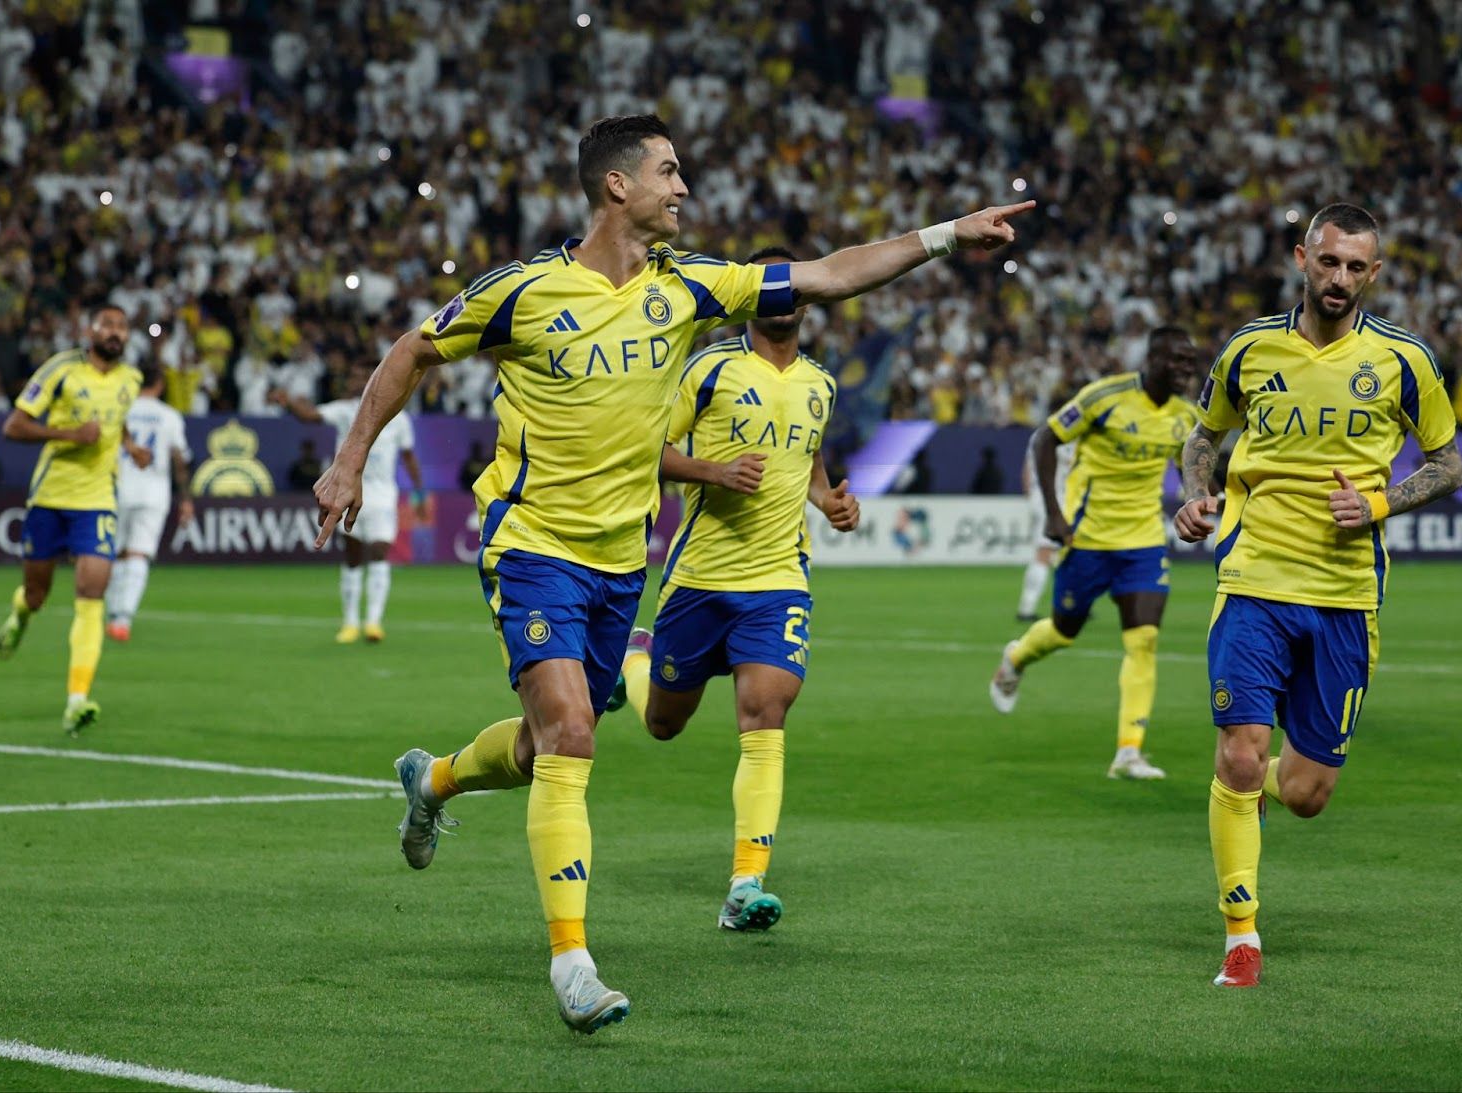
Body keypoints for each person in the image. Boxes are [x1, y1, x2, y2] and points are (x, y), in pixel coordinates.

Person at [310, 113, 1032, 1033]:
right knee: (573, 731)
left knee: (543, 747)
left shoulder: (690, 286)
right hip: (531, 540)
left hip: (621, 561)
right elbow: (412, 350)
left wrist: (944, 235)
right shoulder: (523, 291)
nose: (684, 187)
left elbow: (831, 273)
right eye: (669, 170)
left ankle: (438, 779)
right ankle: (572, 960)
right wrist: (350, 459)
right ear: (618, 186)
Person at [1174, 203, 1462, 989]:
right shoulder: (1249, 347)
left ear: (1375, 272)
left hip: (1345, 593)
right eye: (1327, 262)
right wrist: (1198, 495)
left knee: (1304, 792)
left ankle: (1260, 792)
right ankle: (1242, 936)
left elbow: (1448, 463)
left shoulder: (1404, 360)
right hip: (1253, 579)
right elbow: (1202, 437)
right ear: (1303, 257)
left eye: (1355, 267)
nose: (1339, 279)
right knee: (1239, 753)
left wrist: (1378, 504)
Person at [608, 246, 861, 933]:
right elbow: (645, 450)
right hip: (699, 580)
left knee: (765, 711)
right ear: (750, 297)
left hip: (779, 581)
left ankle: (745, 884)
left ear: (805, 299)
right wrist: (713, 472)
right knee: (664, 723)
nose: (783, 296)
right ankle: (632, 660)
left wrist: (829, 502)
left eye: (792, 285)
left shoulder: (820, 384)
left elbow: (808, 462)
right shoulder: (708, 369)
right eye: (769, 285)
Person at [989, 326, 1201, 780]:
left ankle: (1129, 751)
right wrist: (1054, 514)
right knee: (1065, 630)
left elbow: (1193, 466)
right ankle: (1016, 659)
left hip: (1143, 542)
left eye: (1190, 362)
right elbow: (1045, 440)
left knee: (1143, 640)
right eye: (1179, 361)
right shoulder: (1105, 397)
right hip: (1087, 538)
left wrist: (1202, 497)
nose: (1186, 370)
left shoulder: (1186, 417)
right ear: (1154, 358)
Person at [0, 304, 148, 734]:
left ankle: (77, 699)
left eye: (122, 326)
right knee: (37, 594)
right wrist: (70, 436)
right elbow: (14, 426)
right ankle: (20, 615)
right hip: (50, 497)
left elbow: (117, 423)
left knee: (91, 593)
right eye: (108, 325)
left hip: (98, 500)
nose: (116, 332)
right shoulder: (60, 369)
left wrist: (132, 447)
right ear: (90, 330)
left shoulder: (131, 380)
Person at [273, 368, 426, 643]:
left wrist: (419, 495)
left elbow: (409, 457)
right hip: (350, 491)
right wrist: (288, 400)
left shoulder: (399, 418)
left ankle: (373, 623)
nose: (358, 383)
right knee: (353, 556)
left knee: (380, 552)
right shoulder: (345, 411)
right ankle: (350, 622)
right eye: (354, 379)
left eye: (363, 378)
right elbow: (309, 416)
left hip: (382, 495)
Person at [106, 369, 194, 641]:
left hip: (116, 489)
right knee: (138, 553)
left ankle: (112, 612)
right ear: (159, 384)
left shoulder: (120, 409)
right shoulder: (169, 416)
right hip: (153, 493)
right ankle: (123, 618)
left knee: (115, 552)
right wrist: (186, 499)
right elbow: (179, 459)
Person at [1015, 437, 1073, 622]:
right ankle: (1026, 608)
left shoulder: (1039, 435)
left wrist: (1030, 497)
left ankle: (1072, 602)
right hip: (1053, 500)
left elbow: (1026, 471)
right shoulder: (1067, 435)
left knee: (1067, 552)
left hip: (1041, 498)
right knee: (1045, 553)